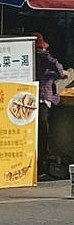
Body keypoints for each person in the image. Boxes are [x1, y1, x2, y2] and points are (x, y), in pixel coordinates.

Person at [36, 34, 74, 177]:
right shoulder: (42, 56)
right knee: (44, 132)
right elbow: (56, 65)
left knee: (40, 132)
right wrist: (63, 73)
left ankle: (41, 165)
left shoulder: (33, 58)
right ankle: (42, 167)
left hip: (35, 96)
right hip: (43, 98)